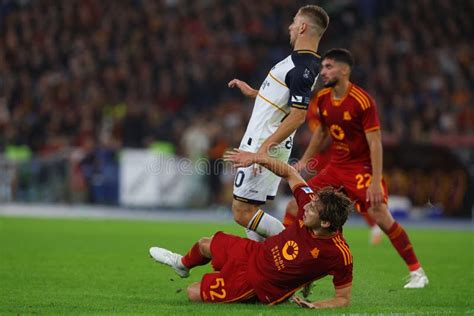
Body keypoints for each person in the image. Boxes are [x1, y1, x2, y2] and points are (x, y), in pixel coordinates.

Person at [284, 48, 429, 288]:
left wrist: (374, 180)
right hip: (336, 167)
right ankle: (290, 263)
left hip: (361, 170)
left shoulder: (362, 101)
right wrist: (304, 163)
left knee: (381, 215)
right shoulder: (322, 99)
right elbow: (321, 133)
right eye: (322, 67)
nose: (323, 72)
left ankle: (417, 272)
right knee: (295, 205)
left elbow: (375, 142)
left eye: (329, 67)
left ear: (344, 69)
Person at [149, 149, 353, 308]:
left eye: (313, 209)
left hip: (257, 284)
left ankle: (259, 299)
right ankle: (181, 264)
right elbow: (290, 173)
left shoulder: (338, 254)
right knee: (204, 244)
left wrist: (317, 305)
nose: (306, 207)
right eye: (310, 203)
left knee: (192, 293)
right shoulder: (309, 203)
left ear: (325, 223)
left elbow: (343, 298)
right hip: (254, 252)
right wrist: (256, 157)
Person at [227, 5, 329, 241]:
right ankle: (266, 269)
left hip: (266, 140)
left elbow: (297, 115)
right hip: (264, 138)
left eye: (294, 22)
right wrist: (256, 93)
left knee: (242, 213)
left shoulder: (303, 67)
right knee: (250, 212)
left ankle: (297, 256)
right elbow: (283, 100)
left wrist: (262, 150)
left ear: (303, 27)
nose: (290, 27)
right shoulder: (300, 62)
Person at [284, 103, 383, 245]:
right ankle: (292, 235)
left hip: (335, 161)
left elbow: (326, 134)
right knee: (308, 200)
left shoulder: (332, 105)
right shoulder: (313, 106)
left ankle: (372, 227)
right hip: (322, 160)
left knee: (337, 200)